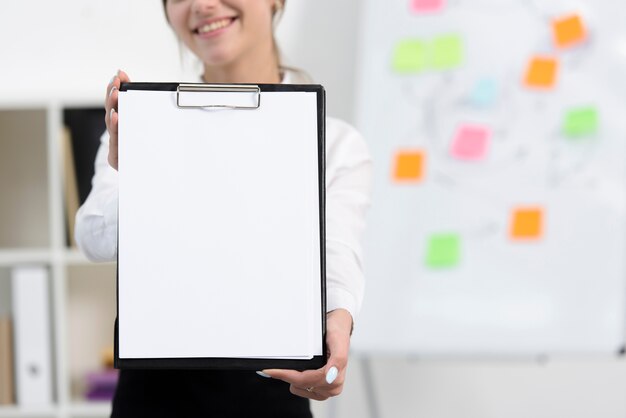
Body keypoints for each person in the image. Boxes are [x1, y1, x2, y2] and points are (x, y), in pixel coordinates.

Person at [75, 0, 372, 416]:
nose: (202, 4)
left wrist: (337, 326)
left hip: (271, 391)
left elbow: (337, 257)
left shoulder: (334, 141)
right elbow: (91, 237)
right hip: (152, 394)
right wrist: (146, 180)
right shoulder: (142, 121)